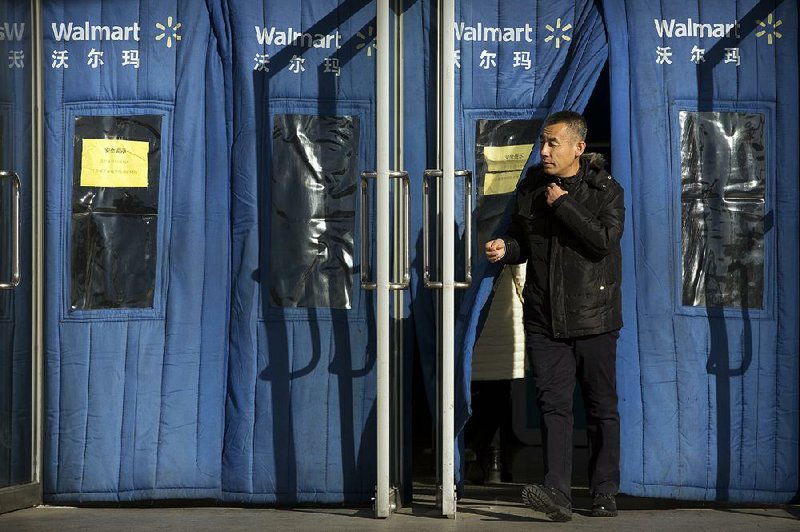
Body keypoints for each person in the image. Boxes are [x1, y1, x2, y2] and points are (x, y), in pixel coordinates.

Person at [484, 110, 624, 521]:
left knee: (601, 407)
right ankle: (557, 491)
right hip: (544, 315)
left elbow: (602, 241)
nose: (543, 152)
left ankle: (603, 491)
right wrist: (505, 249)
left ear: (578, 148)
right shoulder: (531, 187)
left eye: (552, 144)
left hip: (594, 316)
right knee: (553, 405)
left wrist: (564, 206)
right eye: (542, 143)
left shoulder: (605, 190)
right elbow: (523, 241)